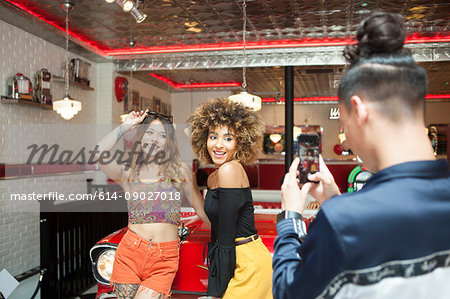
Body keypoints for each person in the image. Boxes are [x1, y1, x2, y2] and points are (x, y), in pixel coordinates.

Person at [272, 12, 450, 299]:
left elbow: (288, 292)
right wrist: (335, 201)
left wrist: (290, 217)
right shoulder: (346, 216)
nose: (346, 136)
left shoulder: (343, 221)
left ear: (360, 109)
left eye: (343, 123)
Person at [95, 110, 209, 299]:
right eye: (149, 132)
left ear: (168, 142)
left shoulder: (180, 171)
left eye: (162, 135)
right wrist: (128, 124)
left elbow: (200, 208)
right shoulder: (129, 172)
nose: (154, 139)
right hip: (130, 253)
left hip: (164, 258)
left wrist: (227, 234)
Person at [187, 98, 273, 298]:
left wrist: (216, 291)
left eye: (228, 138)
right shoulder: (213, 177)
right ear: (204, 139)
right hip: (234, 258)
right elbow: (212, 221)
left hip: (248, 262)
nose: (218, 145)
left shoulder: (229, 170)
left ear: (240, 142)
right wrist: (188, 183)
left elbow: (225, 239)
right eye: (213, 136)